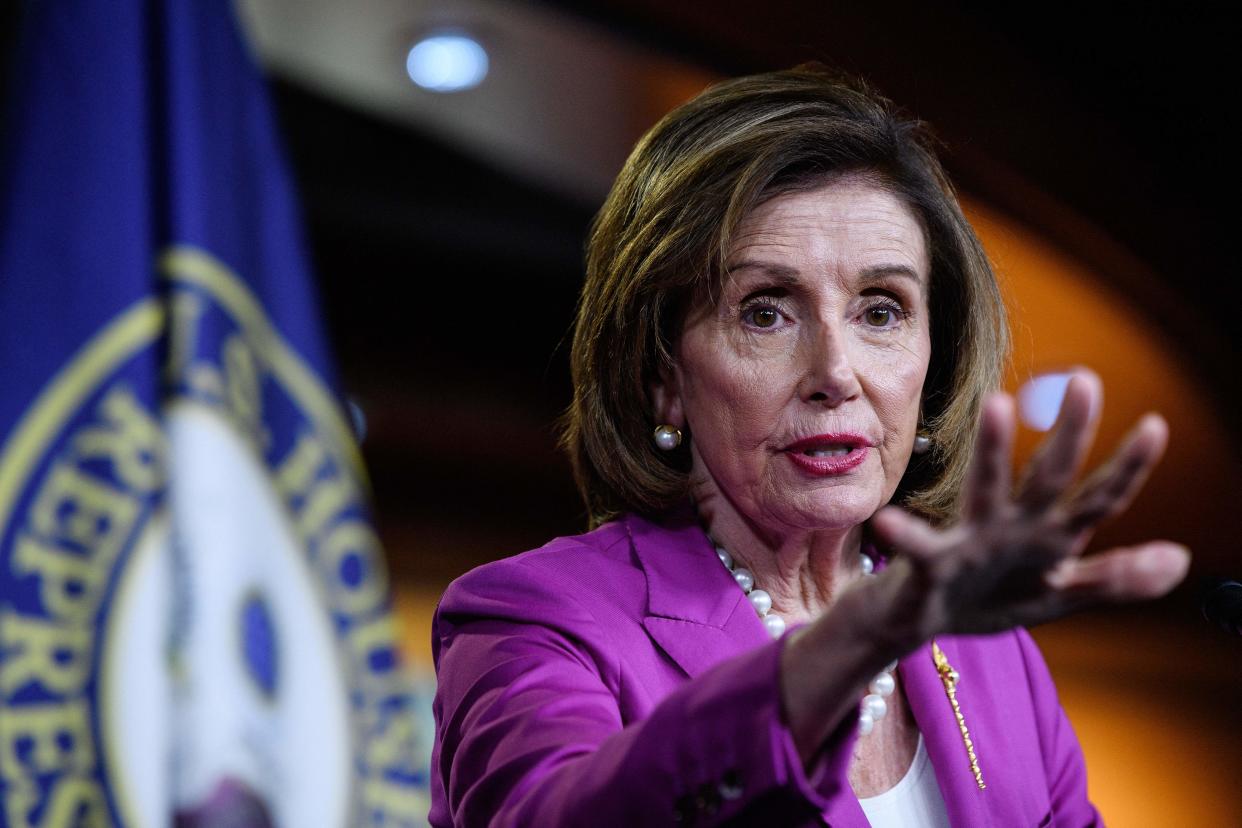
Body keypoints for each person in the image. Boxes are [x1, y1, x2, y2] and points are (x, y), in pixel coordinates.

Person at [428, 66, 1188, 827]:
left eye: (881, 311)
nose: (835, 372)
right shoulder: (536, 621)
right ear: (662, 377)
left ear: (936, 358)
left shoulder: (994, 654)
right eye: (765, 312)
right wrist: (842, 649)